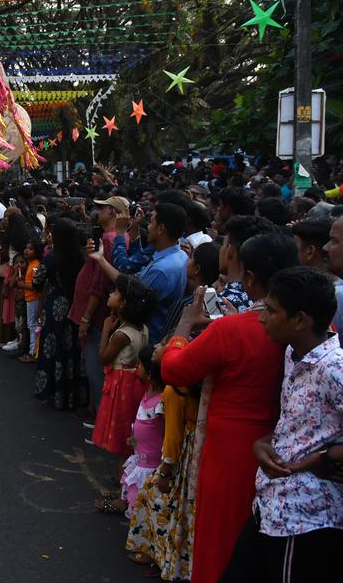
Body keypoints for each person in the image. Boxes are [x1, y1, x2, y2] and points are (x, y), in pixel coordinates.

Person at [160, 232, 298, 583]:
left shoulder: (234, 329)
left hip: (231, 452)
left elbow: (174, 368)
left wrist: (184, 327)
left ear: (249, 279)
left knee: (220, 544)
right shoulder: (311, 328)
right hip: (290, 452)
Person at [219, 265, 343, 582]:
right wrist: (264, 443)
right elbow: (298, 422)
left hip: (305, 520)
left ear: (300, 320)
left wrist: (324, 459)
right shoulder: (293, 352)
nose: (262, 318)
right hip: (272, 505)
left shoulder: (334, 369)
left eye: (271, 311)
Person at [125, 379, 200, 579]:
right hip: (191, 450)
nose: (159, 347)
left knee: (160, 501)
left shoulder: (174, 391)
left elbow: (172, 435)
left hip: (183, 454)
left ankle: (163, 558)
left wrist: (166, 470)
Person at [91, 203, 189, 340]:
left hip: (141, 340)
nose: (147, 226)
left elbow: (129, 287)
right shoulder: (179, 254)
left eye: (151, 222)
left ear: (161, 229)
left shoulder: (162, 270)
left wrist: (119, 234)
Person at [73, 196, 127, 413]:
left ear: (113, 212)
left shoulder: (110, 239)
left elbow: (99, 285)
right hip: (99, 315)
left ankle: (101, 418)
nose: (97, 211)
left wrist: (86, 318)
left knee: (95, 365)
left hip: (97, 316)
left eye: (102, 208)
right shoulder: (110, 237)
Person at [92, 276, 157, 457]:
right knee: (129, 427)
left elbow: (103, 358)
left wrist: (105, 329)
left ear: (123, 304)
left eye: (115, 293)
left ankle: (124, 478)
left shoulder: (122, 335)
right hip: (135, 383)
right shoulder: (142, 328)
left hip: (121, 385)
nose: (111, 294)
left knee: (121, 433)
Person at [33, 218, 87, 409]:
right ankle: (73, 396)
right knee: (72, 349)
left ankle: (53, 393)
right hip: (76, 305)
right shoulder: (83, 256)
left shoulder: (52, 258)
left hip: (56, 305)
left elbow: (36, 282)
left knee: (53, 350)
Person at [113, 346, 165, 517]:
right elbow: (143, 427)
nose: (137, 369)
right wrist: (134, 441)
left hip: (150, 463)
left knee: (142, 502)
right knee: (133, 492)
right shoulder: (148, 391)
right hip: (140, 456)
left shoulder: (160, 403)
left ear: (150, 374)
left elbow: (161, 434)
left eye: (140, 366)